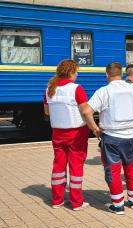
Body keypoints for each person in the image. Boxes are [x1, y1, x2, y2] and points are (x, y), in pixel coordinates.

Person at [80, 62, 133, 215]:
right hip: (131, 136)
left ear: (106, 74)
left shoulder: (103, 91)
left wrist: (95, 129)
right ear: (121, 73)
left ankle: (118, 205)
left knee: (113, 171)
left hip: (111, 138)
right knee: (130, 168)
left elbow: (86, 112)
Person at [44, 59, 89, 211]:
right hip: (76, 134)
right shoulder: (76, 89)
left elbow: (46, 112)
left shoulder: (50, 88)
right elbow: (85, 111)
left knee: (58, 166)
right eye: (76, 71)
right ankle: (76, 202)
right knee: (76, 168)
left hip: (57, 133)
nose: (77, 75)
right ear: (70, 72)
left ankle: (57, 200)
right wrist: (94, 126)